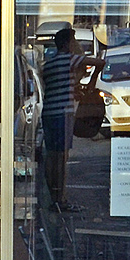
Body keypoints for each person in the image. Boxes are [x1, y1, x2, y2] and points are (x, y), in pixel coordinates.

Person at [40, 26, 83, 209]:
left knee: (52, 155)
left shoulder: (48, 65)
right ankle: (60, 198)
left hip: (49, 112)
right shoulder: (70, 59)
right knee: (62, 156)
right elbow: (99, 63)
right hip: (62, 114)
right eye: (74, 41)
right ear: (67, 43)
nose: (76, 44)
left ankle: (53, 195)